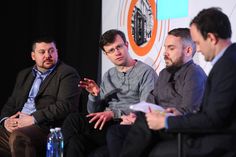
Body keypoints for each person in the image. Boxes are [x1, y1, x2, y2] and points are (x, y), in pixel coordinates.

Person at [120, 7, 236, 157]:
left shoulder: (228, 65)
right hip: (213, 133)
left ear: (212, 39)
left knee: (154, 149)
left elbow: (215, 119)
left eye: (198, 43)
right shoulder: (227, 61)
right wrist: (176, 115)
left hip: (221, 141)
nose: (198, 50)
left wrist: (168, 122)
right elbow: (213, 112)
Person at [106, 27, 207, 157]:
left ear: (188, 51)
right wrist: (134, 116)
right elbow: (151, 99)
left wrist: (158, 116)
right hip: (155, 125)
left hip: (176, 127)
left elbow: (189, 110)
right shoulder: (164, 73)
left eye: (171, 48)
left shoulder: (194, 73)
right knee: (115, 131)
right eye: (165, 48)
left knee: (144, 119)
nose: (165, 53)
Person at [61, 29, 158, 157]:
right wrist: (95, 95)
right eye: (111, 50)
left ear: (127, 45)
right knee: (75, 140)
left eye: (119, 47)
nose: (117, 52)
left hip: (127, 124)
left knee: (75, 124)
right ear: (106, 55)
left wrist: (114, 114)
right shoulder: (109, 75)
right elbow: (93, 112)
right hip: (106, 124)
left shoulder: (146, 72)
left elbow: (146, 107)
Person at [0, 36, 81, 157]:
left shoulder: (67, 73)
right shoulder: (24, 74)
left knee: (19, 137)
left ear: (57, 52)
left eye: (51, 51)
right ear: (33, 56)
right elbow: (12, 102)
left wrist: (33, 118)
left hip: (45, 126)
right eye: (42, 52)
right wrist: (5, 120)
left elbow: (66, 106)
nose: (47, 55)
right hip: (19, 123)